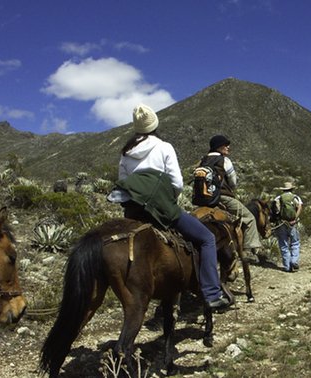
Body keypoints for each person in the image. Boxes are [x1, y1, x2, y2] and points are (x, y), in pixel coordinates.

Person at [109, 104, 231, 310]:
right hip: (162, 209)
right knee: (207, 238)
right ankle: (211, 293)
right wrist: (169, 201)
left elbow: (123, 181)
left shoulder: (126, 152)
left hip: (133, 211)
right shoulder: (164, 147)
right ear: (155, 124)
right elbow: (177, 183)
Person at [200, 135, 263, 254]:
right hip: (222, 197)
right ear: (218, 147)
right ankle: (249, 250)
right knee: (249, 218)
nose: (228, 147)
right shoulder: (224, 160)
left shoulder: (202, 160)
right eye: (225, 145)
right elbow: (233, 183)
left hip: (203, 199)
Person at [272, 181, 303, 272]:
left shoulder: (278, 198)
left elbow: (275, 211)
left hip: (281, 223)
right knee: (295, 243)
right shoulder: (295, 197)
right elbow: (300, 207)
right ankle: (294, 261)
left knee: (283, 244)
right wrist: (295, 218)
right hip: (292, 223)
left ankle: (286, 266)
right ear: (292, 189)